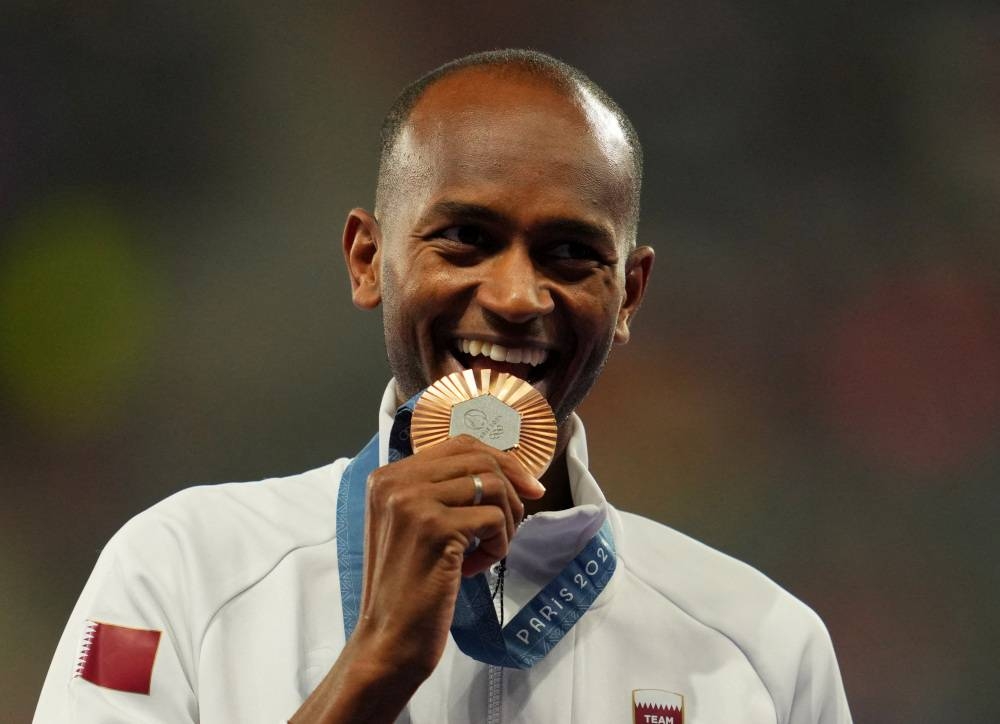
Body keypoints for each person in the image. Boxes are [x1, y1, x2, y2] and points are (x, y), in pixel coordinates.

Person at [34, 49, 852, 723]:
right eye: (466, 239)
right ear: (367, 260)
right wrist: (374, 667)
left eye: (571, 253)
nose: (516, 297)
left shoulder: (764, 649)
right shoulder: (182, 572)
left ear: (629, 294)